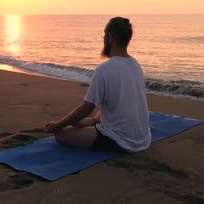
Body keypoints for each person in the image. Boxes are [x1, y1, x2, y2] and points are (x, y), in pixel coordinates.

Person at [44, 17, 151, 152]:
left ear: (110, 37)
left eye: (104, 34)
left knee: (61, 135)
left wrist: (58, 126)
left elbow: (87, 108)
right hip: (143, 137)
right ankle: (90, 123)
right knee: (103, 112)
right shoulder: (136, 64)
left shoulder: (104, 69)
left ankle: (91, 126)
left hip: (121, 140)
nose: (103, 38)